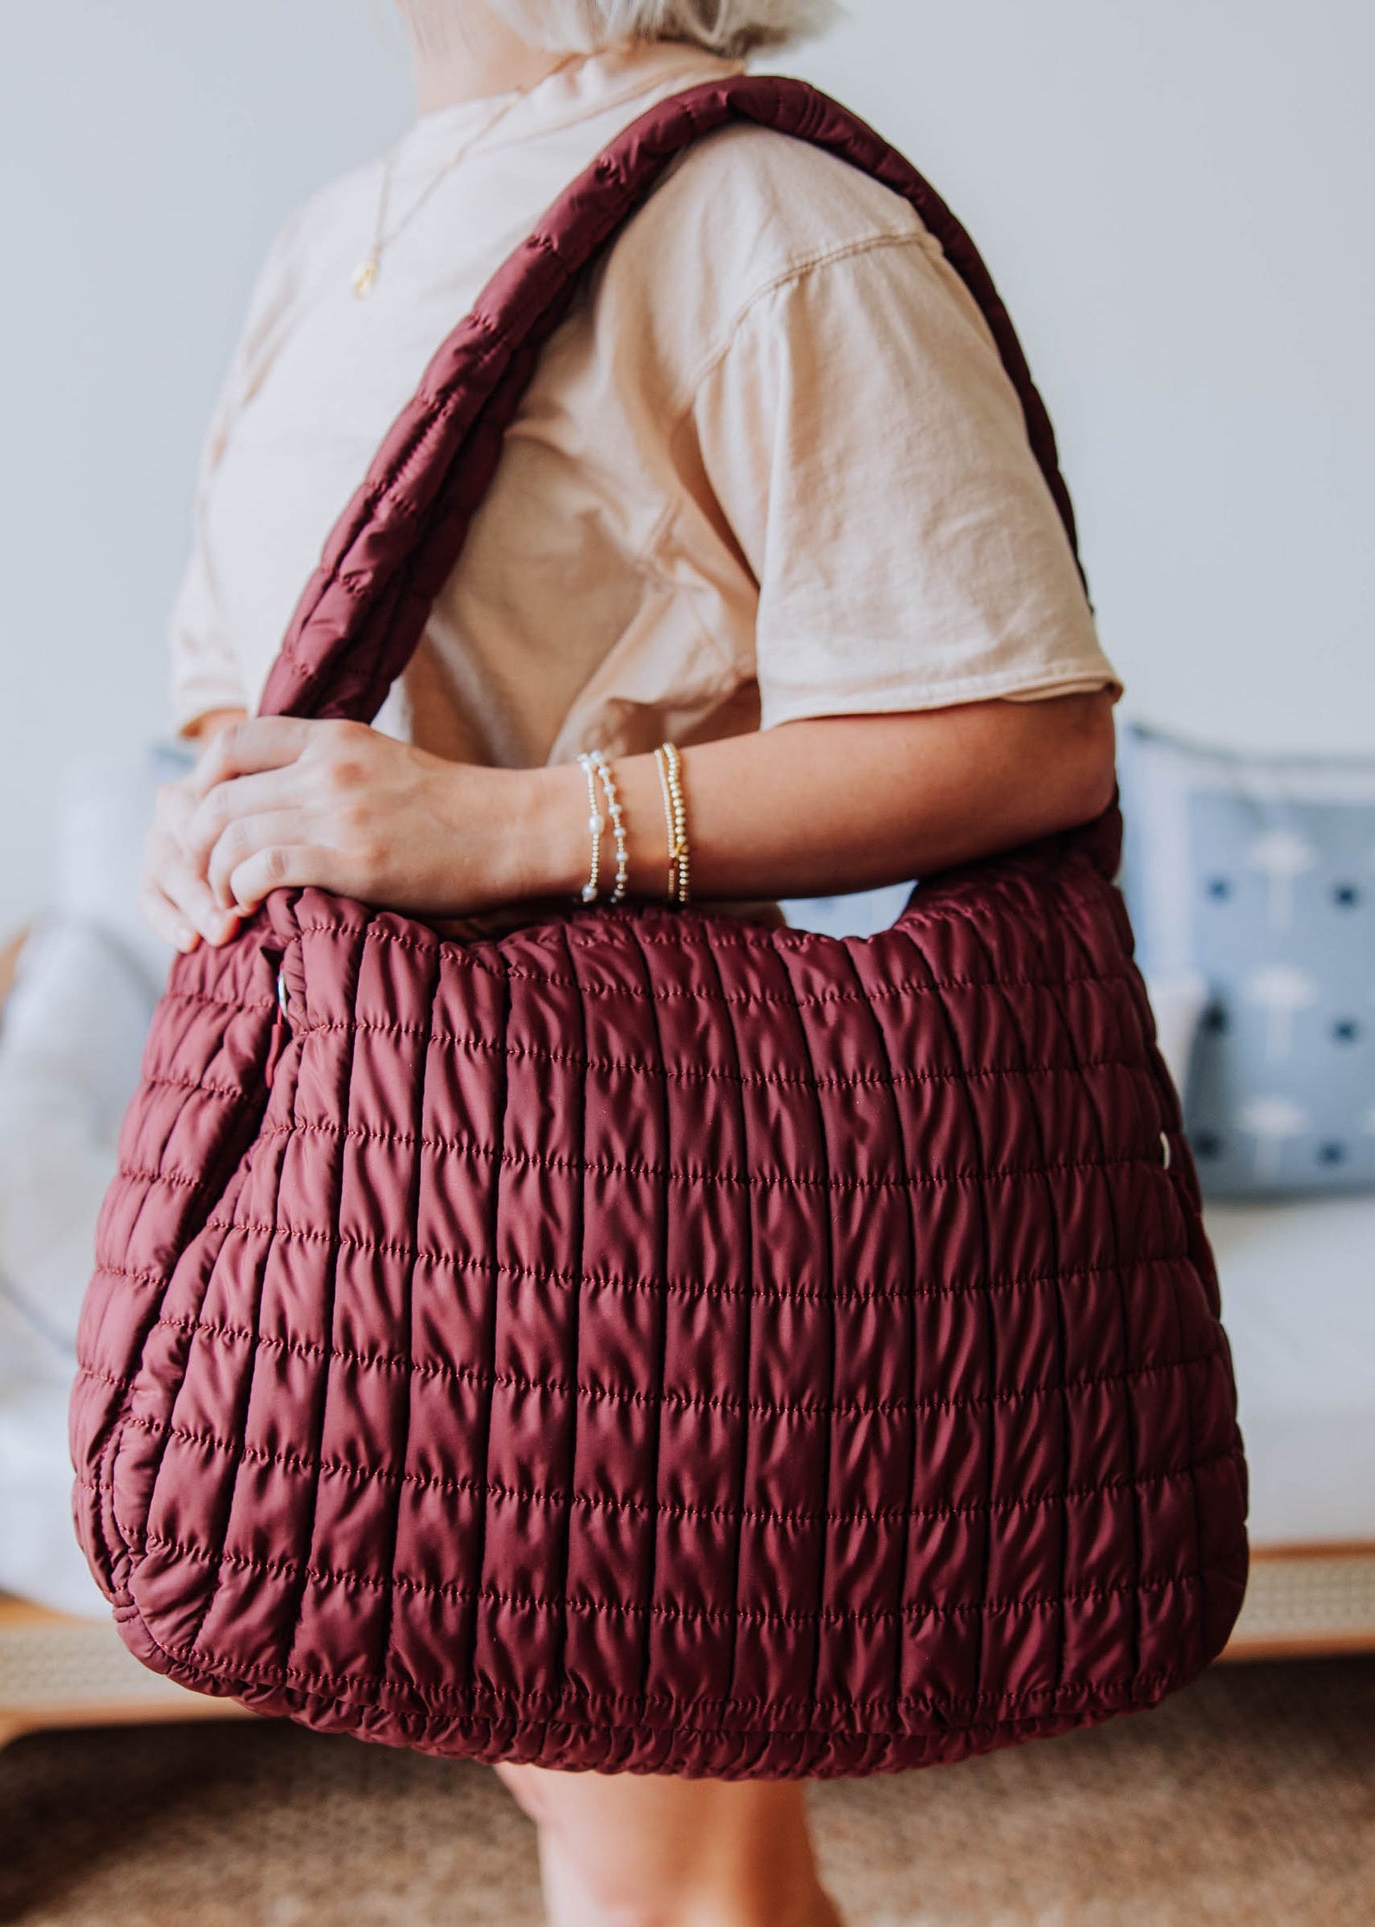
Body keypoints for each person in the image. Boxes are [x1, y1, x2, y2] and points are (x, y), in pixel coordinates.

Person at [139, 2, 1122, 1920]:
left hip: (616, 1195)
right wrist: (228, 812)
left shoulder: (761, 216)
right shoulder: (343, 228)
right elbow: (264, 710)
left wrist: (507, 829)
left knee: (662, 1868)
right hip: (381, 1172)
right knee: (621, 1837)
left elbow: (1025, 736)